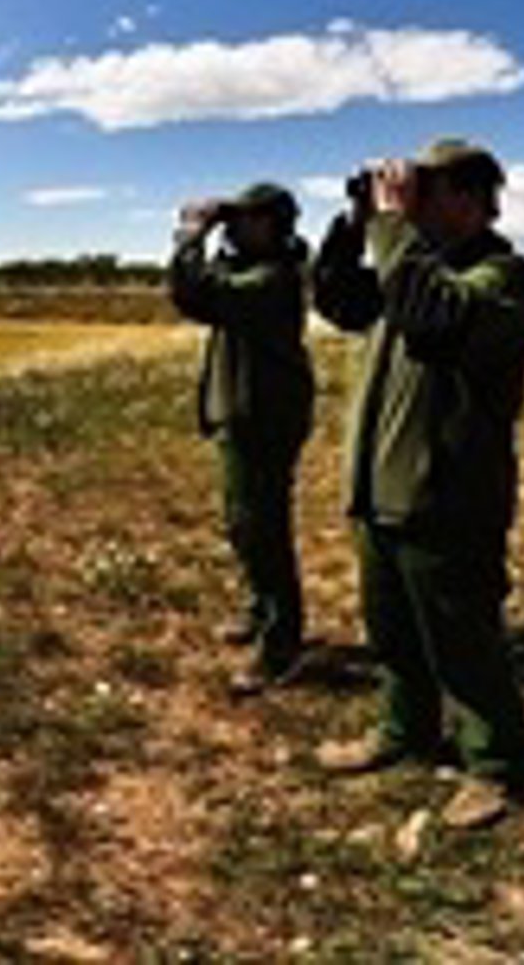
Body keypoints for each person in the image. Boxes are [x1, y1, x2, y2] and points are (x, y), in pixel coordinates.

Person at [310, 139, 524, 812]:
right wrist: (357, 224)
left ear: (470, 200)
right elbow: (337, 299)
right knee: (392, 634)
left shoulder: (503, 278)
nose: (408, 204)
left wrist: (392, 227)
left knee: (463, 640)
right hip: (382, 490)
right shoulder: (410, 267)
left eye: (424, 191)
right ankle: (404, 730)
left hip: (448, 497)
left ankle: (496, 762)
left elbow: (431, 317)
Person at [169, 182, 316, 696]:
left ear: (274, 225)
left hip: (264, 420)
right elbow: (206, 285)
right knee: (243, 524)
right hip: (247, 416)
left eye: (247, 218)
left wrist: (192, 235)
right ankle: (261, 611)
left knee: (263, 531)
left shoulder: (273, 278)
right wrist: (216, 239)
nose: (233, 225)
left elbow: (194, 294)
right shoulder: (251, 268)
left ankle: (281, 647)